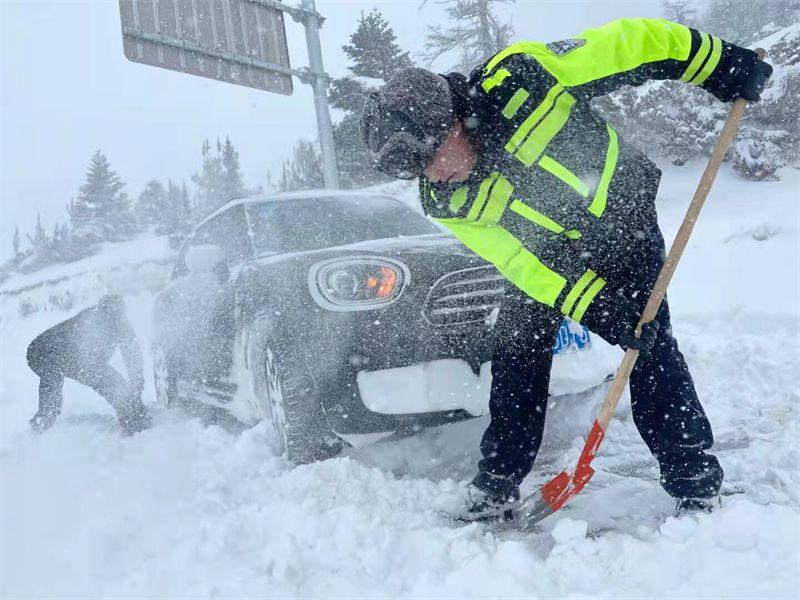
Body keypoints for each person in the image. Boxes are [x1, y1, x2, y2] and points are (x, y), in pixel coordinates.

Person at [361, 18, 772, 518]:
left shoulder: (522, 77)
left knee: (648, 344)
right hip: (547, 257)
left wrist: (717, 63)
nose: (434, 173)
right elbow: (517, 259)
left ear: (449, 119)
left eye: (432, 156)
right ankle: (496, 482)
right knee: (516, 354)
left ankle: (695, 482)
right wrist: (594, 305)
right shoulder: (445, 198)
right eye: (418, 171)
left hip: (623, 222)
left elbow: (632, 48)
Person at [27, 294, 150, 435]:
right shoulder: (90, 320)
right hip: (42, 352)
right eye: (108, 314)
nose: (112, 318)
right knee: (53, 398)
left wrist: (137, 384)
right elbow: (92, 367)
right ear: (101, 310)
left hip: (66, 355)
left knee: (110, 379)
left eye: (117, 314)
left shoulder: (122, 325)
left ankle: (134, 416)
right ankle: (38, 430)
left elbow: (133, 355)